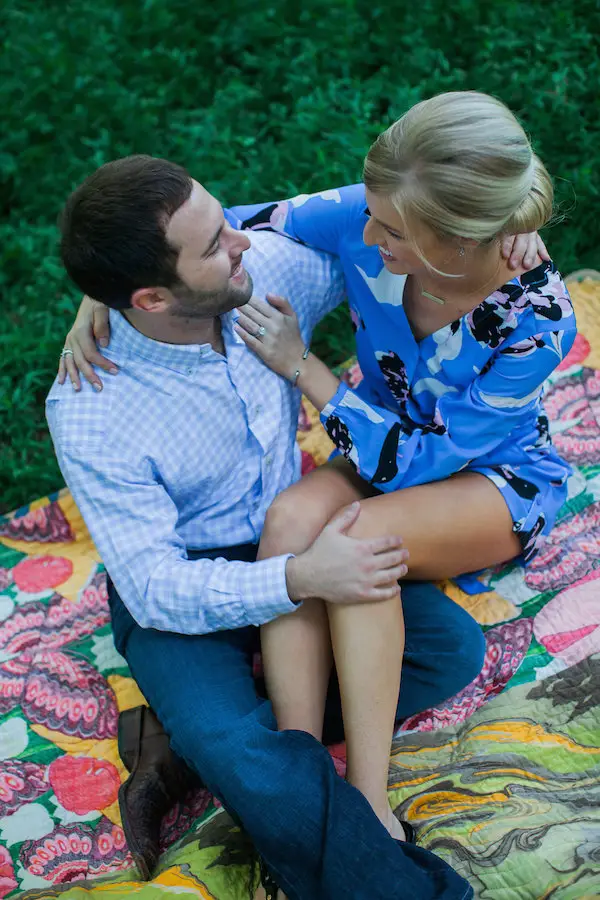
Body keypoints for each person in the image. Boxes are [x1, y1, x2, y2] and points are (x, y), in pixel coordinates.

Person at [49, 154, 487, 900]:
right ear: (151, 297)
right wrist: (298, 579)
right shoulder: (91, 410)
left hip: (291, 533)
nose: (242, 242)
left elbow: (373, 204)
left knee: (448, 652)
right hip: (187, 590)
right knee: (251, 755)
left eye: (227, 221)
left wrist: (514, 231)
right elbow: (154, 588)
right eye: (216, 243)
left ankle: (186, 747)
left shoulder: (262, 269)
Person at [219, 91, 576, 847]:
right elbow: (224, 229)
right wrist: (107, 293)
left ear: (458, 239)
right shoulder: (370, 213)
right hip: (374, 440)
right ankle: (298, 770)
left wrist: (303, 367)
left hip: (489, 477)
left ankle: (368, 799)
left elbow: (422, 464)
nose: (366, 231)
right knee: (289, 519)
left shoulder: (537, 318)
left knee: (359, 533)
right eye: (372, 213)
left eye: (392, 231)